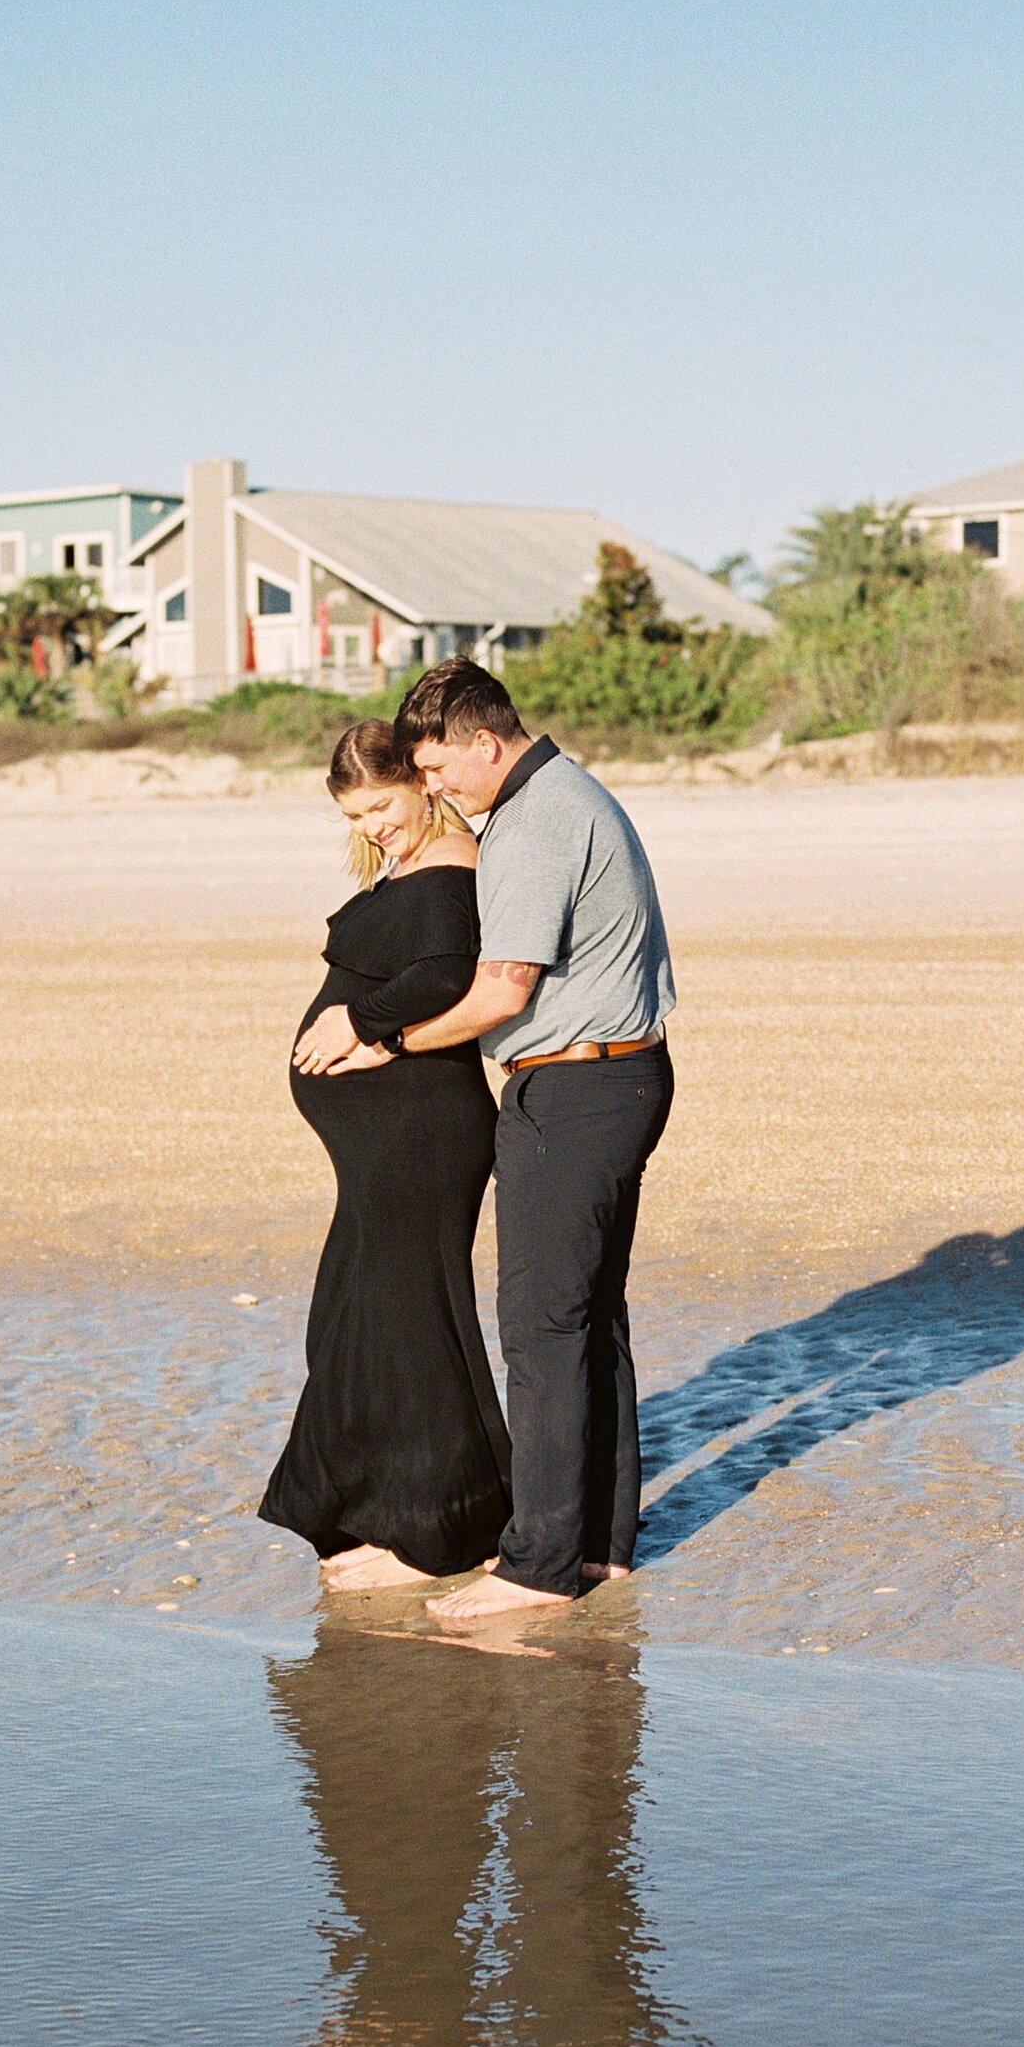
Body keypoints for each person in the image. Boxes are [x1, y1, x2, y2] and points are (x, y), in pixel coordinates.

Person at [291, 660, 674, 1620]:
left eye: (437, 770)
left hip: (578, 1084)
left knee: (542, 1329)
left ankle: (537, 1566)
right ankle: (597, 1545)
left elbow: (500, 990)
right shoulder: (559, 798)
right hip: (605, 1074)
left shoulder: (539, 821)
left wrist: (382, 1036)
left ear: (483, 743)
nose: (435, 789)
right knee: (589, 1320)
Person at [261, 719, 512, 1590]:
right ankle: (389, 1508)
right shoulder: (410, 862)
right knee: (352, 1318)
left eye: (378, 804)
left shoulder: (450, 865)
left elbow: (448, 976)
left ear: (420, 778)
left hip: (420, 1138)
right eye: (352, 815)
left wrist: (362, 1025)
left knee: (408, 1328)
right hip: (387, 1146)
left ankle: (442, 1531)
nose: (369, 826)